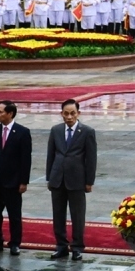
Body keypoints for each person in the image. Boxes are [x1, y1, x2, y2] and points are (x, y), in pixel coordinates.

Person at [46, 100, 97, 261]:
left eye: (72, 113)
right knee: (58, 214)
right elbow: (51, 155)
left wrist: (89, 181)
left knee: (77, 214)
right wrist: (50, 177)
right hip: (58, 178)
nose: (69, 117)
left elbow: (91, 158)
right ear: (61, 114)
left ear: (78, 113)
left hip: (77, 179)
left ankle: (77, 246)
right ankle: (61, 245)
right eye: (66, 113)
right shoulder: (56, 130)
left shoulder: (87, 131)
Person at [0, 100, 32, 255]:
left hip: (13, 182)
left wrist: (24, 181)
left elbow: (25, 159)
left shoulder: (22, 132)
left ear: (10, 113)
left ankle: (15, 243)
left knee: (14, 215)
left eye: (0, 112)